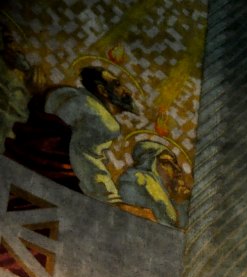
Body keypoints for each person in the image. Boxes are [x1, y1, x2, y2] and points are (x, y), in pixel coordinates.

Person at [5, 66, 138, 202]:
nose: (127, 91)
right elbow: (88, 162)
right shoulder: (103, 120)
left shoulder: (69, 93)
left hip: (18, 158)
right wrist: (111, 199)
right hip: (50, 177)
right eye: (117, 85)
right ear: (102, 90)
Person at [117, 140, 192, 227]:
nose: (177, 169)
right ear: (150, 163)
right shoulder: (133, 178)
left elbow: (178, 227)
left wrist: (181, 200)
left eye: (175, 164)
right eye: (166, 163)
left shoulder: (168, 194)